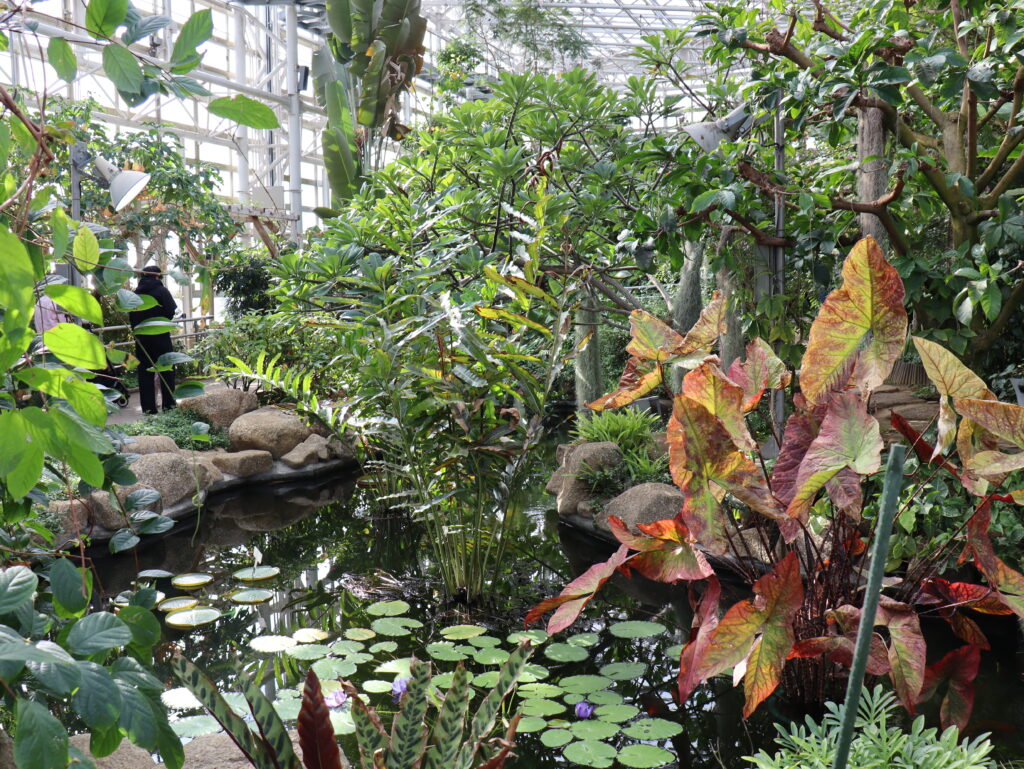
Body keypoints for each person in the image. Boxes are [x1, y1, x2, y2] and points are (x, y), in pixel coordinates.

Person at [129, 265, 178, 414]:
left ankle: (149, 409)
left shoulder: (134, 295)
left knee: (145, 373)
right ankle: (169, 406)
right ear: (157, 276)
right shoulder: (162, 291)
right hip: (161, 336)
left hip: (142, 339)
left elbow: (131, 317)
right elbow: (171, 311)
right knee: (166, 371)